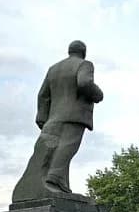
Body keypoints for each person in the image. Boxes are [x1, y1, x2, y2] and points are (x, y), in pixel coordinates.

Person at [12, 40, 103, 202]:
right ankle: (54, 177)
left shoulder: (53, 69)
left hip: (54, 117)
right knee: (68, 147)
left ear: (69, 51)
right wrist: (98, 95)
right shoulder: (85, 64)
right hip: (75, 115)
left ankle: (60, 184)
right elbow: (84, 83)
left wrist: (41, 117)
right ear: (84, 52)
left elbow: (42, 95)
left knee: (55, 148)